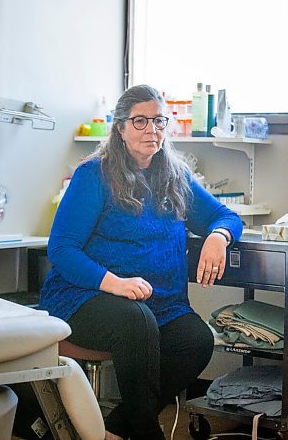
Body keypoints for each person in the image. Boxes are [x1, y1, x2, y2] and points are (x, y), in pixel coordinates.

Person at [39, 85, 243, 440]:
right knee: (135, 320)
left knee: (196, 339)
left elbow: (224, 216)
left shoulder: (175, 177)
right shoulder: (94, 175)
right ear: (120, 128)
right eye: (140, 121)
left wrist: (217, 236)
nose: (152, 130)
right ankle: (148, 432)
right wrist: (115, 283)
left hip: (161, 305)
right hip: (85, 297)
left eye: (159, 121)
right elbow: (62, 249)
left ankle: (115, 430)